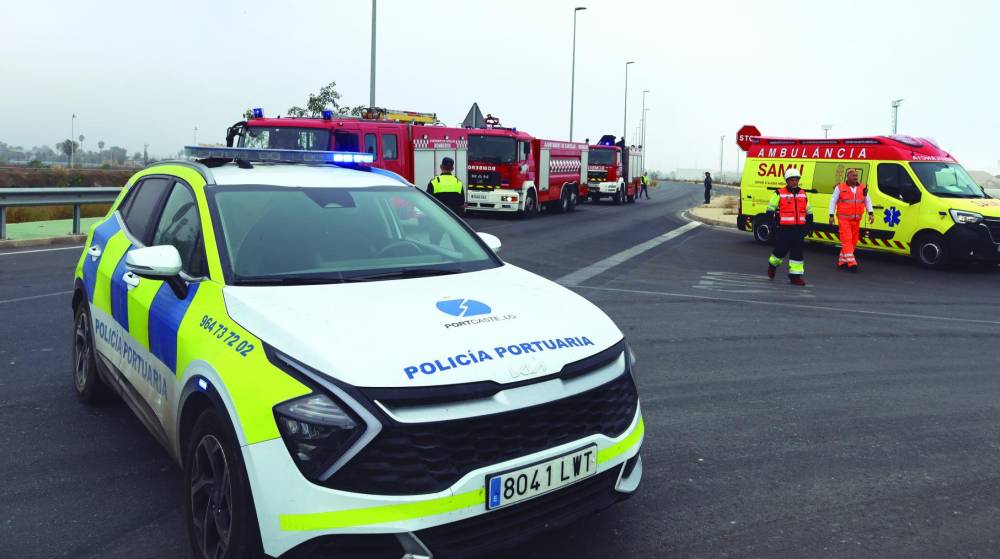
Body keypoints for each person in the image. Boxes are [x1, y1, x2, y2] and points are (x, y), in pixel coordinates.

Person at [766, 168, 813, 286]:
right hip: (784, 229)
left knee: (797, 253)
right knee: (781, 251)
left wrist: (809, 226)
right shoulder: (778, 193)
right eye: (792, 180)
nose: (795, 182)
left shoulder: (803, 193)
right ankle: (773, 265)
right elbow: (770, 210)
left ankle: (795, 277)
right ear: (787, 180)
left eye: (796, 179)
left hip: (799, 229)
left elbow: (809, 211)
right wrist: (772, 226)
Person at [828, 169, 874, 272]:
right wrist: (831, 215)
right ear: (848, 176)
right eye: (853, 175)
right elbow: (833, 201)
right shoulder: (839, 188)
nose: (856, 177)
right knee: (847, 240)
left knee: (854, 240)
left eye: (856, 175)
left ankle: (842, 261)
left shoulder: (863, 188)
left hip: (856, 219)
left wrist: (871, 213)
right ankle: (852, 263)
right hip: (844, 219)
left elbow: (867, 200)